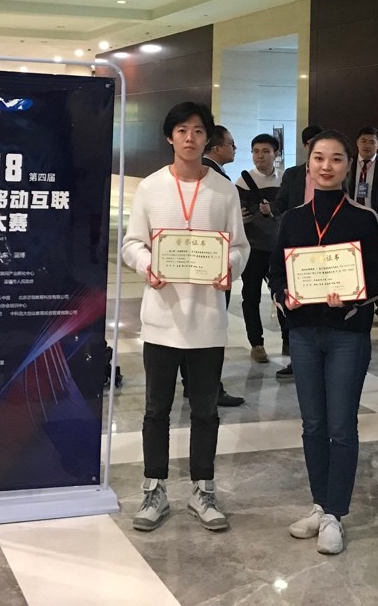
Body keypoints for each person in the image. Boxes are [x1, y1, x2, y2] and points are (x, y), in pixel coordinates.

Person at [121, 101, 249, 533]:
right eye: (182, 130)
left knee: (205, 411)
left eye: (197, 131)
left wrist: (228, 267)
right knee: (156, 409)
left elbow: (240, 247)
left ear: (207, 138)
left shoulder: (224, 190)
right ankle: (154, 490)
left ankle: (203, 489)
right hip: (162, 319)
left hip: (208, 321)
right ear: (170, 137)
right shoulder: (151, 188)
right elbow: (132, 243)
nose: (189, 138)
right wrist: (147, 265)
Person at [269, 130, 378, 555]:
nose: (326, 166)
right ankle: (320, 505)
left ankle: (336, 513)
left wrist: (352, 297)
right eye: (319, 158)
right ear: (308, 163)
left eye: (336, 158)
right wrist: (284, 295)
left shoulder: (364, 218)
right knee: (313, 424)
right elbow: (276, 272)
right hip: (303, 334)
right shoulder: (293, 218)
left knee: (341, 425)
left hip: (346, 334)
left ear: (348, 165)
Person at [191, 123, 245, 407]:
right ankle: (208, 388)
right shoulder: (214, 180)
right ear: (216, 147)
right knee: (207, 332)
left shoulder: (219, 178)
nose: (234, 148)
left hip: (210, 265)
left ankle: (197, 384)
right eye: (231, 143)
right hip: (207, 267)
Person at [270, 124, 322, 378]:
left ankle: (321, 353)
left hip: (325, 247)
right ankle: (294, 354)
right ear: (305, 146)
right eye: (311, 144)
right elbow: (281, 203)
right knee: (293, 301)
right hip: (297, 247)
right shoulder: (293, 174)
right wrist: (271, 210)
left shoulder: (331, 174)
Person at [237, 133, 284, 363]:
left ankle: (289, 340)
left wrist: (274, 210)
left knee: (284, 295)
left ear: (276, 154)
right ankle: (256, 343)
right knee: (251, 296)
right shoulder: (243, 182)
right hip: (254, 248)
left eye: (266, 151)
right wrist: (241, 218)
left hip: (279, 248)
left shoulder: (285, 180)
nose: (260, 156)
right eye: (256, 151)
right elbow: (237, 213)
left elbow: (292, 210)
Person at [347, 126, 378, 327]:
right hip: (350, 220)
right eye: (363, 141)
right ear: (357, 143)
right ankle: (354, 304)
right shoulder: (348, 163)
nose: (367, 145)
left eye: (372, 142)